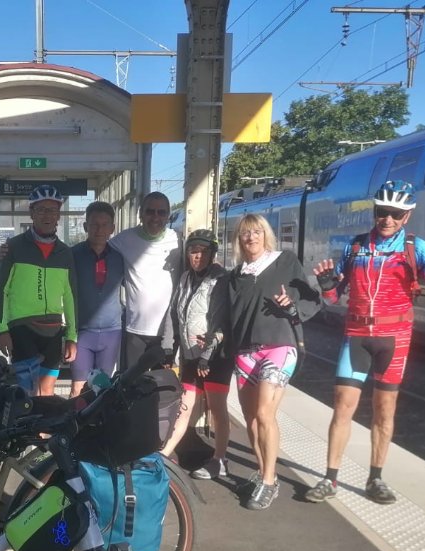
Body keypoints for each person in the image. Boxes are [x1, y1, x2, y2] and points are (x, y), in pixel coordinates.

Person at [305, 180, 425, 506]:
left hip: (394, 339)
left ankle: (375, 478)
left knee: (384, 412)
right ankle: (330, 477)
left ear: (407, 215)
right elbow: (335, 295)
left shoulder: (415, 248)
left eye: (395, 214)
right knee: (342, 409)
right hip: (356, 337)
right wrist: (325, 286)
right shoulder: (355, 247)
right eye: (382, 212)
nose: (387, 219)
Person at [202, 215, 322, 508]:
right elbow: (229, 321)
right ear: (238, 240)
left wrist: (292, 306)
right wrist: (212, 343)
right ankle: (263, 470)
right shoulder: (234, 277)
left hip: (279, 345)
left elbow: (311, 300)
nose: (251, 238)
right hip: (246, 351)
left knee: (265, 413)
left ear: (265, 235)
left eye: (257, 232)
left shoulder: (285, 262)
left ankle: (269, 482)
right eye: (245, 234)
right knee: (252, 420)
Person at [0, 184, 77, 396]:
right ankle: (27, 430)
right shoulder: (14, 247)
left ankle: (41, 430)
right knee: (27, 390)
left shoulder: (65, 252)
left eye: (53, 210)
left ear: (59, 215)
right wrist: (1, 330)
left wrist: (72, 336)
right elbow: (0, 289)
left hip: (53, 329)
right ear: (32, 213)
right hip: (22, 329)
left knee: (47, 390)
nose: (48, 215)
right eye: (41, 209)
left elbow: (70, 296)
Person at [159, 229, 231, 476]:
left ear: (212, 254)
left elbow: (220, 320)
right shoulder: (185, 278)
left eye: (202, 252)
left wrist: (207, 354)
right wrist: (170, 349)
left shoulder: (221, 279)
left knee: (217, 408)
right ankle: (163, 455)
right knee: (184, 407)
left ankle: (220, 460)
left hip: (214, 358)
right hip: (190, 356)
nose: (197, 256)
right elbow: (175, 315)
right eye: (193, 251)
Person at [109, 192, 182, 369]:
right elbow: (98, 252)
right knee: (131, 386)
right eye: (150, 211)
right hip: (135, 330)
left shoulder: (178, 241)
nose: (155, 217)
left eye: (161, 212)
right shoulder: (123, 239)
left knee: (161, 390)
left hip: (167, 333)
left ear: (168, 215)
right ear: (141, 213)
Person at [69, 201, 125, 396]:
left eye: (105, 224)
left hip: (112, 331)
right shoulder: (72, 255)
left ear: (112, 228)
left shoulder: (120, 257)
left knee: (103, 388)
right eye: (94, 224)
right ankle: (74, 426)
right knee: (78, 387)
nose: (99, 229)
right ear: (85, 226)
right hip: (82, 332)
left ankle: (98, 427)